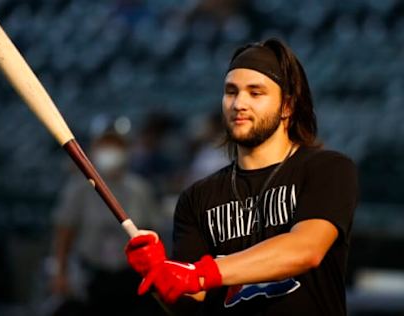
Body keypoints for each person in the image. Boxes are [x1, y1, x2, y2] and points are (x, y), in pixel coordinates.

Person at [124, 37, 359, 316]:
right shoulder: (197, 198)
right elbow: (190, 305)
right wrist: (158, 275)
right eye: (231, 91)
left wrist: (200, 272)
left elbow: (305, 249)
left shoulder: (327, 168)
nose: (238, 103)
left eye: (255, 93)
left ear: (287, 106)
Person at [48, 131, 162, 314]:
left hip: (130, 276)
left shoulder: (140, 189)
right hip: (92, 274)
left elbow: (153, 234)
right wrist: (61, 272)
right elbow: (64, 232)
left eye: (116, 145)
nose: (111, 151)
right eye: (106, 144)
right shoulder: (79, 188)